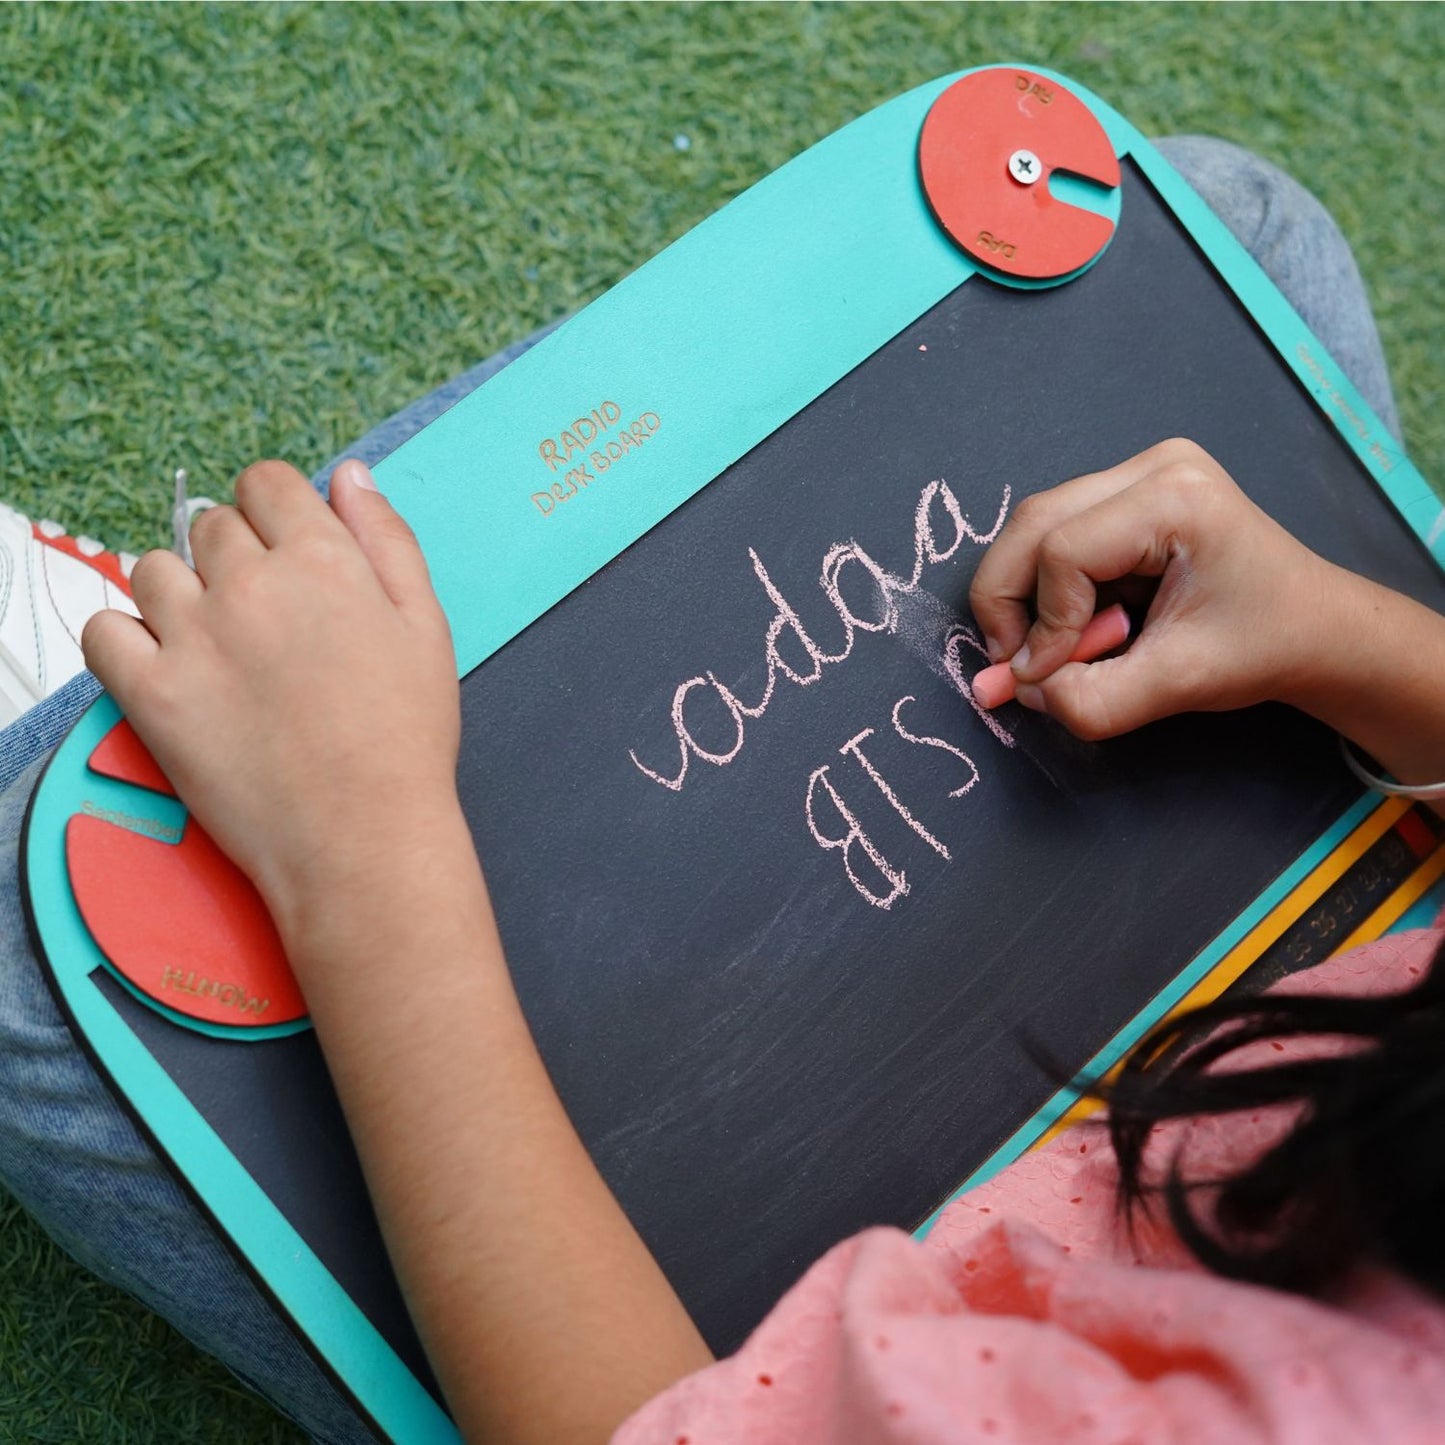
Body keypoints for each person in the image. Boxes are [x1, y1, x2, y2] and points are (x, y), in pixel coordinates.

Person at [1, 135, 1442, 1444]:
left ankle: (184, 692)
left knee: (29, 930)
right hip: (1308, 1016)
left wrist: (359, 859)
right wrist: (1360, 647)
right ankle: (243, 686)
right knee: (1228, 232)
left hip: (816, 1328)